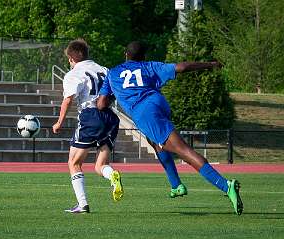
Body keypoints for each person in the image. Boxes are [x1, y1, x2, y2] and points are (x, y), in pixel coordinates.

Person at [97, 41, 243, 215]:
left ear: (125, 54)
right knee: (155, 141)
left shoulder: (112, 73)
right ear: (143, 57)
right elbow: (181, 67)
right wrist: (210, 64)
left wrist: (117, 94)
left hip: (144, 112)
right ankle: (176, 185)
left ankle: (226, 186)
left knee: (183, 150)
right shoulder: (150, 66)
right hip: (158, 103)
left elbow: (101, 103)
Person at [52, 39, 124, 214]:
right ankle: (111, 174)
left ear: (71, 58)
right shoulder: (104, 69)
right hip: (110, 117)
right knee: (100, 165)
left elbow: (68, 99)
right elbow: (115, 92)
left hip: (90, 116)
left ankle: (82, 204)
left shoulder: (74, 73)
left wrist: (59, 122)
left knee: (74, 162)